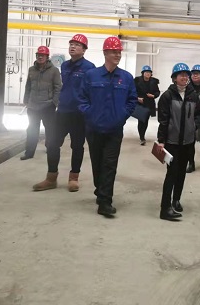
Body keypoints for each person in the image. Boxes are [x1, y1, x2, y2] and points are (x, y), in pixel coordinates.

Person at [78, 36, 137, 218]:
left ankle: (105, 201)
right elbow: (82, 99)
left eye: (119, 52)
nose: (117, 55)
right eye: (113, 52)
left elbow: (132, 100)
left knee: (110, 164)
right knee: (97, 163)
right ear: (105, 53)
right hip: (94, 129)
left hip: (114, 130)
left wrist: (121, 116)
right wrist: (90, 115)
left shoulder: (126, 78)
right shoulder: (91, 75)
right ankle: (100, 190)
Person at [32, 34, 95, 192]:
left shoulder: (90, 68)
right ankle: (51, 178)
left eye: (77, 45)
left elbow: (91, 92)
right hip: (62, 112)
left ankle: (74, 178)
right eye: (71, 44)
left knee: (77, 146)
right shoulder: (65, 65)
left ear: (84, 50)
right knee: (52, 143)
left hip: (79, 114)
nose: (73, 46)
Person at [156, 63, 200, 221]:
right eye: (181, 74)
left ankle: (176, 200)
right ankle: (165, 208)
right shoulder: (167, 96)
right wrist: (161, 140)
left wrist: (193, 128)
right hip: (172, 142)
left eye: (186, 75)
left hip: (188, 142)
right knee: (172, 173)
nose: (184, 77)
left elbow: (198, 115)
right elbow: (163, 120)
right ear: (174, 78)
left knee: (181, 172)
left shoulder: (192, 95)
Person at [20, 46, 62, 161]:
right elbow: (28, 86)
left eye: (42, 55)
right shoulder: (31, 70)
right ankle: (29, 152)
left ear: (47, 57)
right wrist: (26, 100)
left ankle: (50, 149)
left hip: (47, 106)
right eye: (38, 55)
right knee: (32, 129)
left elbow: (58, 87)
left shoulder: (54, 71)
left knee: (50, 130)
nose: (40, 57)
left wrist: (54, 103)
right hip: (33, 106)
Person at [134, 65, 160, 145]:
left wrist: (153, 96)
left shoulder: (154, 82)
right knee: (141, 120)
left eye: (149, 72)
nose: (148, 74)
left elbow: (157, 92)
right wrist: (137, 98)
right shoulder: (137, 81)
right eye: (146, 72)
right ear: (143, 73)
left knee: (145, 121)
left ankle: (143, 136)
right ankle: (141, 137)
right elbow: (132, 91)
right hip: (140, 103)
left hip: (149, 104)